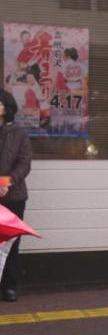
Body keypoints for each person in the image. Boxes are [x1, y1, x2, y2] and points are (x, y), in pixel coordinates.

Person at [0, 90, 31, 302]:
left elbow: (24, 163)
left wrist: (5, 183)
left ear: (6, 107)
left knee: (10, 243)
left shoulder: (19, 132)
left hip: (13, 197)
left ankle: (9, 286)